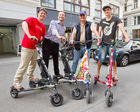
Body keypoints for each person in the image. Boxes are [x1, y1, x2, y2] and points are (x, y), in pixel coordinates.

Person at [13, 7, 47, 89]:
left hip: (35, 48)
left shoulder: (42, 26)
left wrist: (40, 39)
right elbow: (24, 23)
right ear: (38, 14)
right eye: (41, 13)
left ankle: (30, 77)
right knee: (23, 65)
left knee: (33, 65)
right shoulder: (32, 19)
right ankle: (16, 82)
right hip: (27, 46)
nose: (43, 15)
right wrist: (29, 35)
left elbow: (42, 36)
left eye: (44, 14)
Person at [95, 5, 130, 84]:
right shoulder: (102, 21)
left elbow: (121, 28)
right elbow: (99, 32)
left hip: (112, 44)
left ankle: (115, 75)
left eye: (108, 10)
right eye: (105, 10)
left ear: (110, 10)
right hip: (103, 44)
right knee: (101, 59)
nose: (106, 11)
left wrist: (126, 37)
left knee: (113, 60)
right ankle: (98, 73)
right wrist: (98, 40)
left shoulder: (116, 19)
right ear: (104, 12)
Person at [70, 10, 100, 77]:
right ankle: (72, 74)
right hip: (78, 46)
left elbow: (94, 30)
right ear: (79, 17)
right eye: (81, 15)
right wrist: (72, 40)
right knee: (75, 61)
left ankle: (85, 73)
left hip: (87, 46)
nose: (82, 16)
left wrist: (98, 36)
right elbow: (73, 34)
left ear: (86, 16)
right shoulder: (76, 26)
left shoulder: (90, 24)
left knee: (86, 62)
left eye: (83, 15)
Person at [42, 11, 66, 78]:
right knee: (46, 60)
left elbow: (61, 37)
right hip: (48, 42)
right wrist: (59, 36)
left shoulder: (64, 27)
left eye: (63, 15)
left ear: (65, 17)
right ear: (58, 16)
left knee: (56, 60)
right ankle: (45, 76)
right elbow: (54, 31)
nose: (61, 16)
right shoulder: (53, 22)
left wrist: (63, 41)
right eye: (60, 14)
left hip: (56, 44)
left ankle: (57, 74)